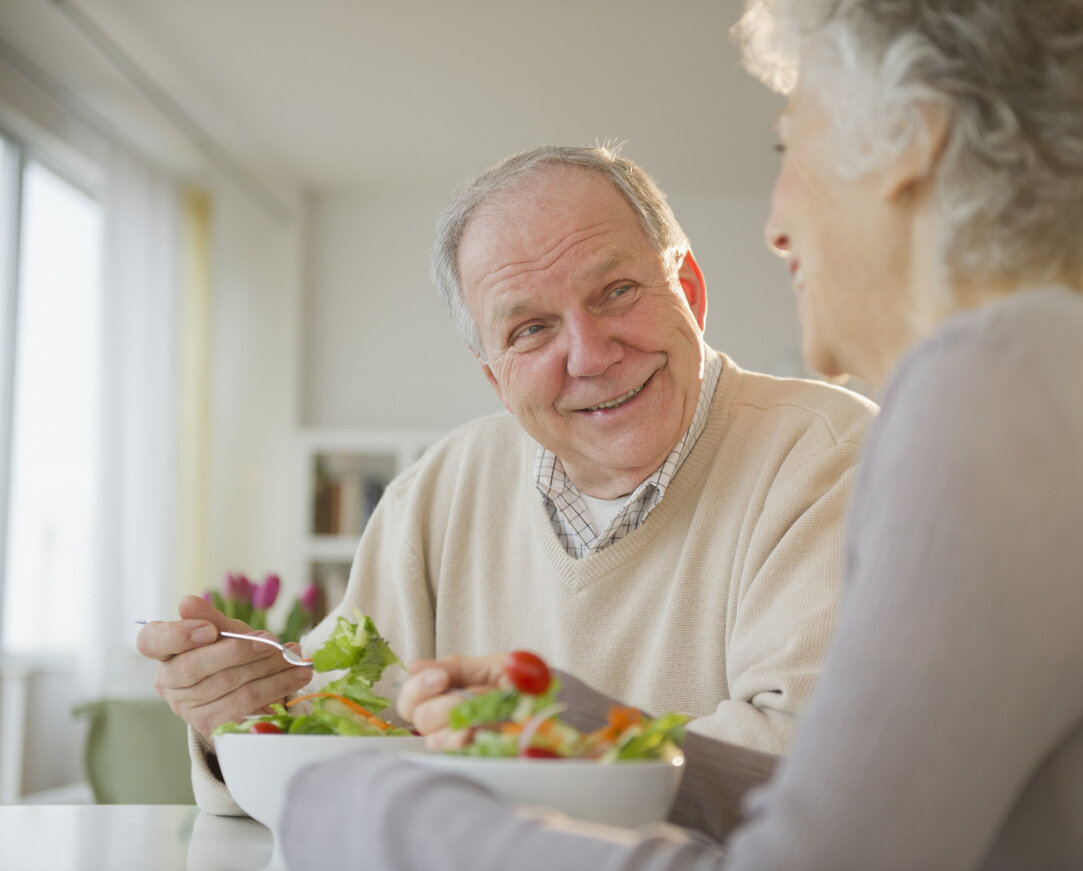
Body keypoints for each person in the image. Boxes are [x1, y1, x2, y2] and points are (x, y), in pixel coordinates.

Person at [275, 0, 1083, 868]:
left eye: (789, 145)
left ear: (914, 141)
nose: (776, 221)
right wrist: (601, 733)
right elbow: (870, 813)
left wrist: (365, 809)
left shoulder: (996, 392)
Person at [136, 144, 876, 820]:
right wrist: (248, 709)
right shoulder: (438, 489)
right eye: (530, 330)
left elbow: (809, 766)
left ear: (687, 287)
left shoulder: (833, 457)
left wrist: (507, 760)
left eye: (616, 291)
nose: (589, 354)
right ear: (494, 375)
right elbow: (343, 726)